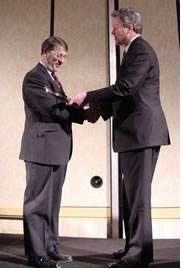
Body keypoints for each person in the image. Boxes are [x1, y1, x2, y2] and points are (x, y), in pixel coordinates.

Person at [69, 8, 170, 268]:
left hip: (141, 133)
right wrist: (99, 112)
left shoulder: (141, 51)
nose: (112, 31)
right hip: (135, 133)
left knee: (137, 197)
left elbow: (126, 88)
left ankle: (138, 255)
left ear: (128, 27)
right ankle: (133, 249)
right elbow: (126, 96)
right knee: (130, 197)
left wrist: (88, 96)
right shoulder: (132, 52)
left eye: (114, 27)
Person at [19, 36, 97, 268]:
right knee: (36, 203)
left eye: (64, 56)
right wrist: (83, 115)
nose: (62, 60)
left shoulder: (53, 79)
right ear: (45, 51)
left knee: (52, 203)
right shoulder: (34, 78)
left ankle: (51, 248)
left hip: (58, 150)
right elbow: (50, 109)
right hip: (41, 149)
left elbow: (60, 104)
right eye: (58, 55)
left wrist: (77, 107)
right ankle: (36, 253)